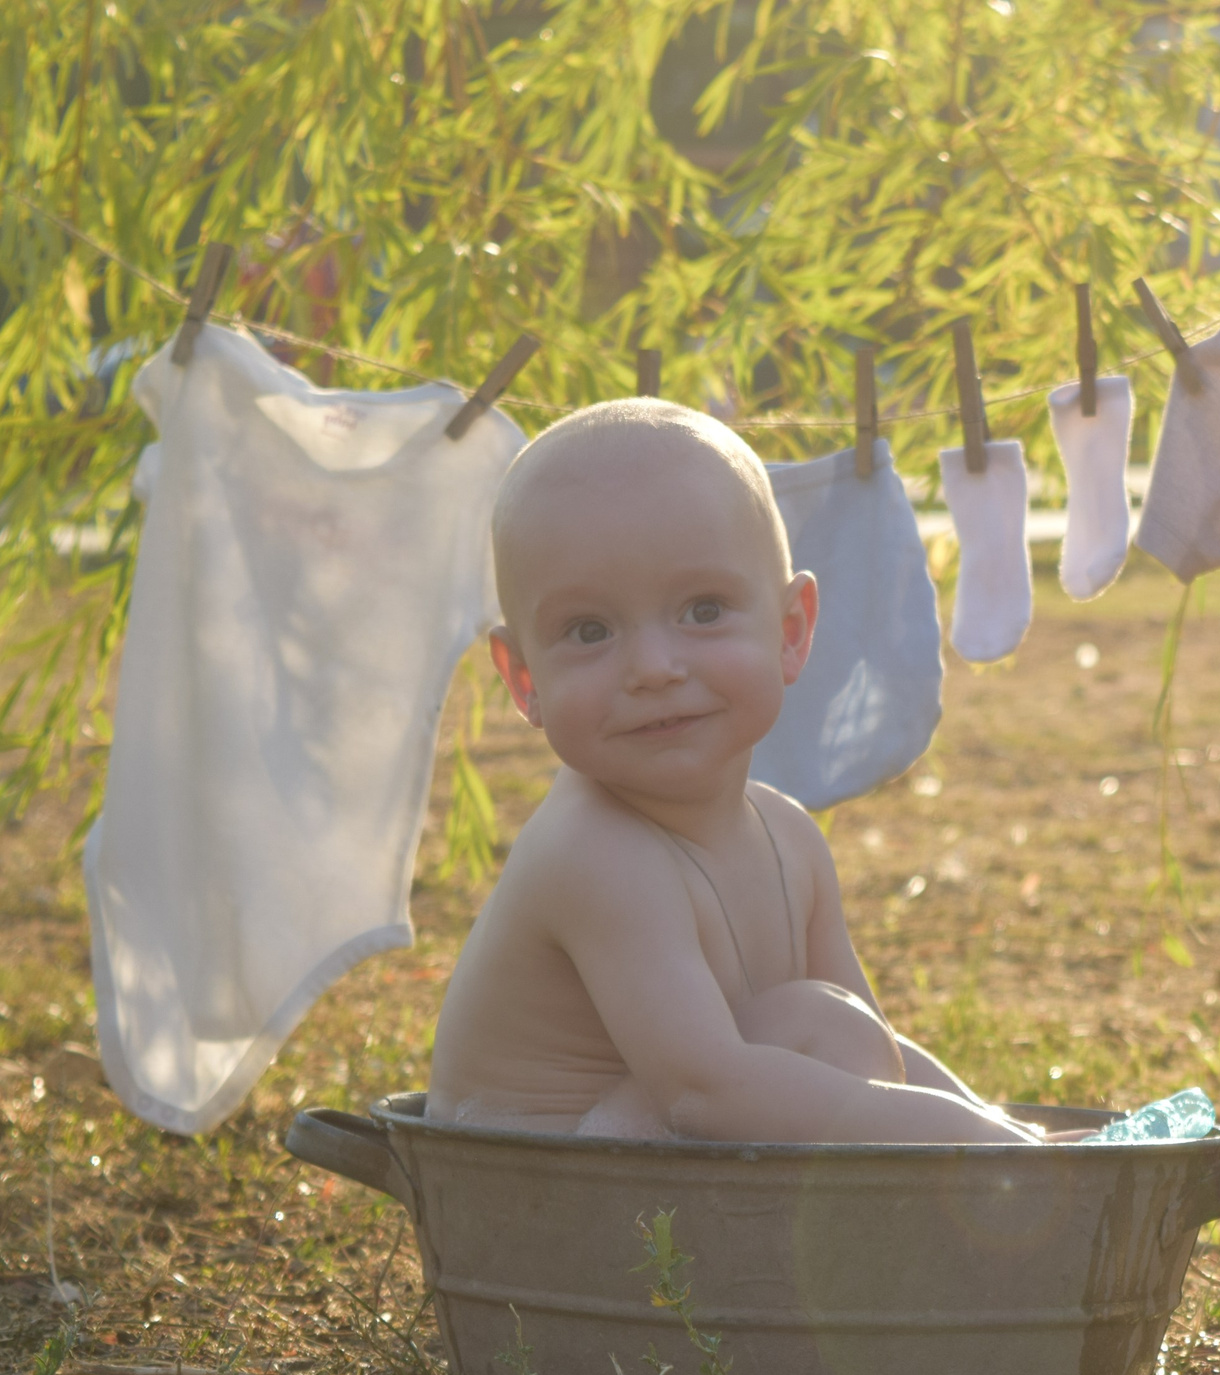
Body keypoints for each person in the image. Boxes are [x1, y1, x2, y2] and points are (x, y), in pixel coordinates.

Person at [426, 400, 1043, 1144]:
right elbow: (704, 1093)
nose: (653, 667)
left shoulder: (788, 834)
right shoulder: (593, 853)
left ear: (790, 632)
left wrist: (1011, 1135)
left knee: (829, 1027)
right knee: (809, 1029)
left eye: (703, 609)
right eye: (589, 630)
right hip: (543, 1204)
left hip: (658, 1185)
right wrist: (977, 1148)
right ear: (524, 679)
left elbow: (874, 1058)